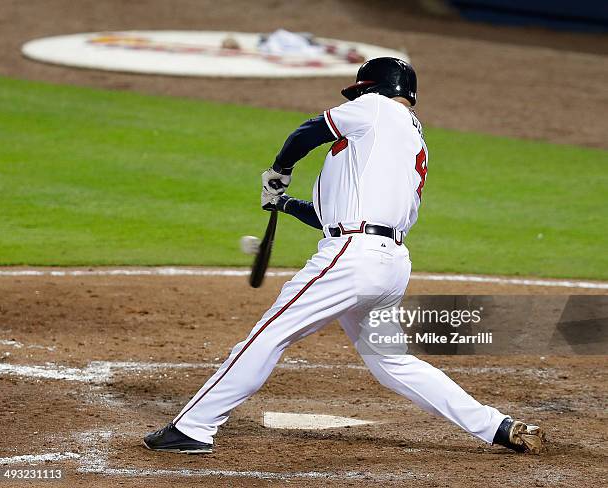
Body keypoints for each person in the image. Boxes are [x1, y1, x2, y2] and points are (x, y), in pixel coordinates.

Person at [144, 57, 545, 455]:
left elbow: (308, 131)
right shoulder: (400, 141)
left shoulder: (375, 108)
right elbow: (327, 216)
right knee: (393, 364)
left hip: (354, 259)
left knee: (270, 334)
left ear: (374, 89)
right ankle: (498, 426)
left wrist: (280, 168)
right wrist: (283, 202)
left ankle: (194, 426)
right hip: (387, 264)